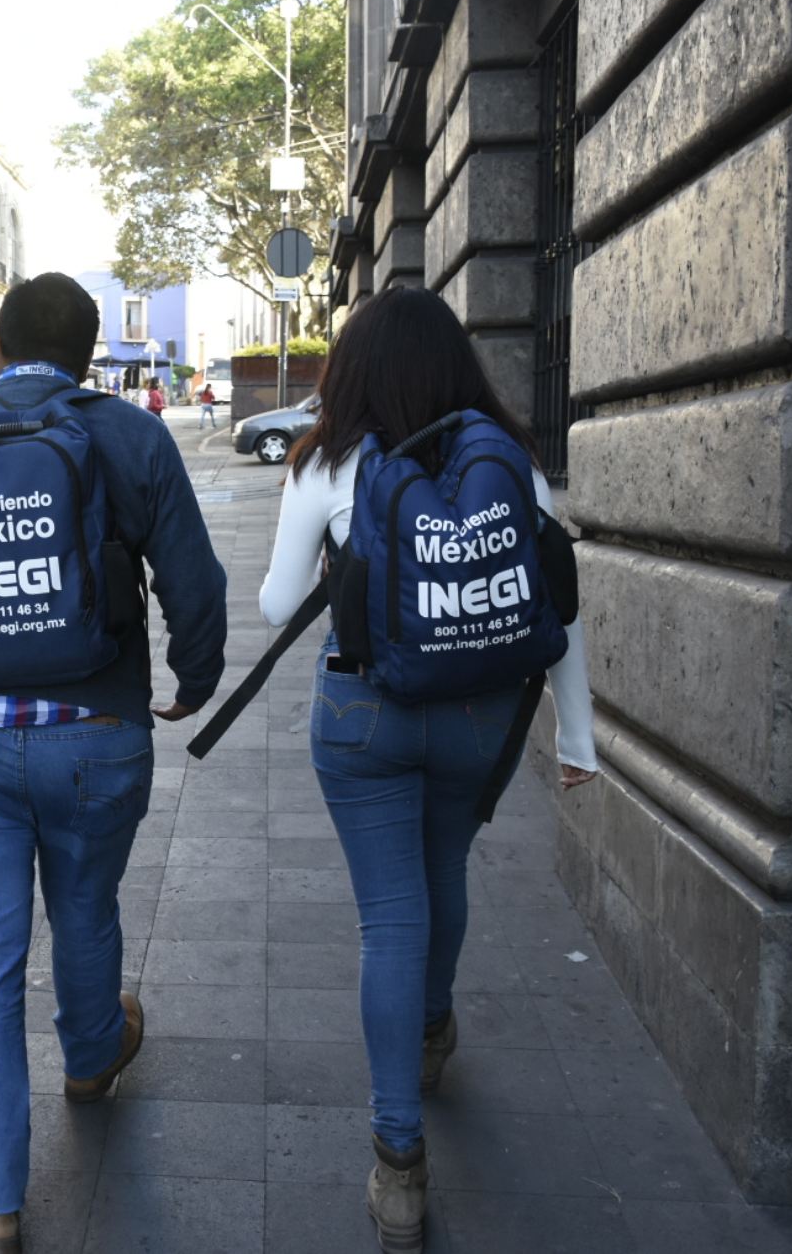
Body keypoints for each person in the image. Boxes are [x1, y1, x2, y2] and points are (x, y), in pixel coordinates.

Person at [0, 272, 228, 1253]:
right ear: (86, 354)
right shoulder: (128, 434)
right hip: (96, 730)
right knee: (85, 905)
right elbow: (192, 577)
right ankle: (92, 1057)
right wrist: (193, 676)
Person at [256, 287, 598, 1254]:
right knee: (442, 874)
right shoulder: (506, 459)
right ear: (456, 362)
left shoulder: (327, 461)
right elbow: (556, 610)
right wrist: (578, 741)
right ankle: (436, 1027)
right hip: (478, 720)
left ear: (352, 369)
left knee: (387, 917)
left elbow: (280, 604)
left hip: (364, 718)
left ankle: (397, 1162)